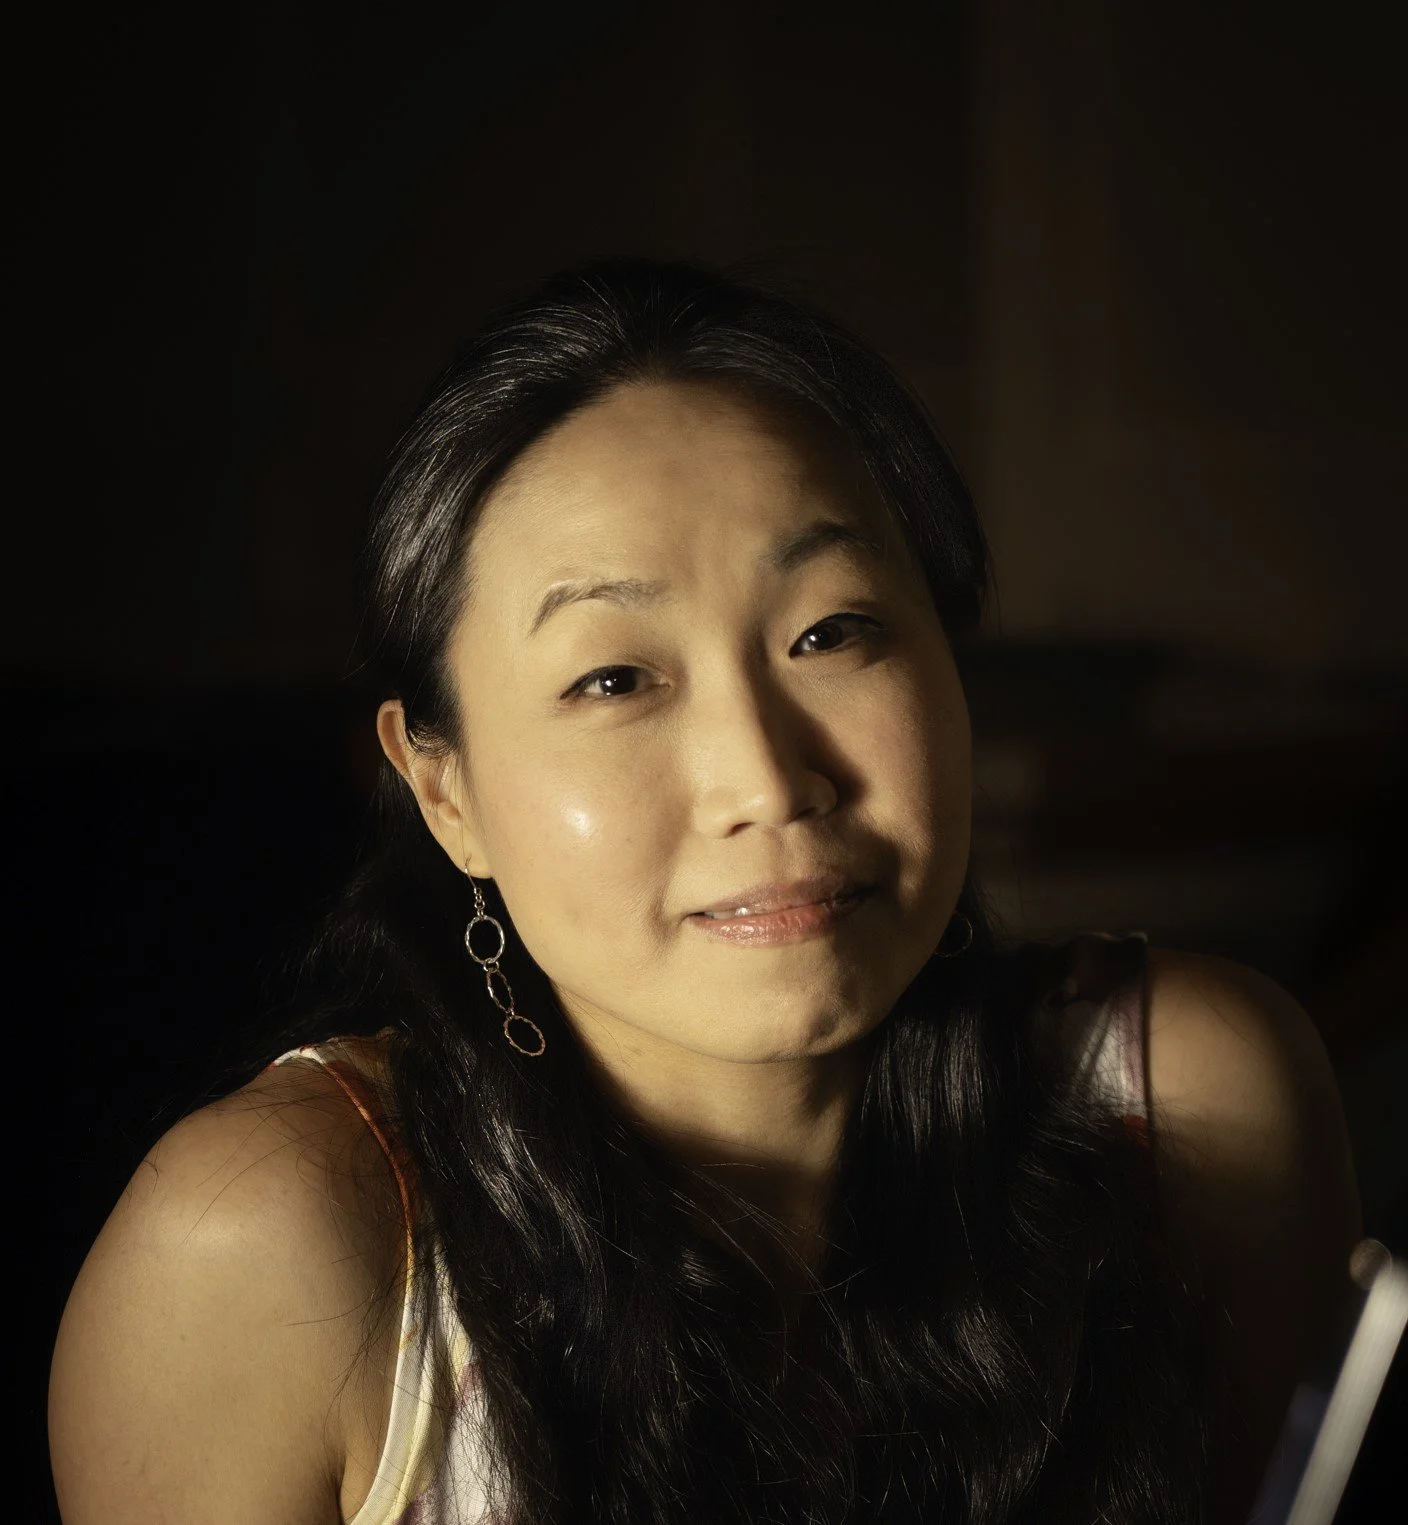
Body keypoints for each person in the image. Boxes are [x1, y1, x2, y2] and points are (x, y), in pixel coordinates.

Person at [48, 260, 1361, 1525]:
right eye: (615, 679)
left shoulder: (1182, 1107)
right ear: (444, 791)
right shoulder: (265, 1252)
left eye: (832, 632)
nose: (767, 780)